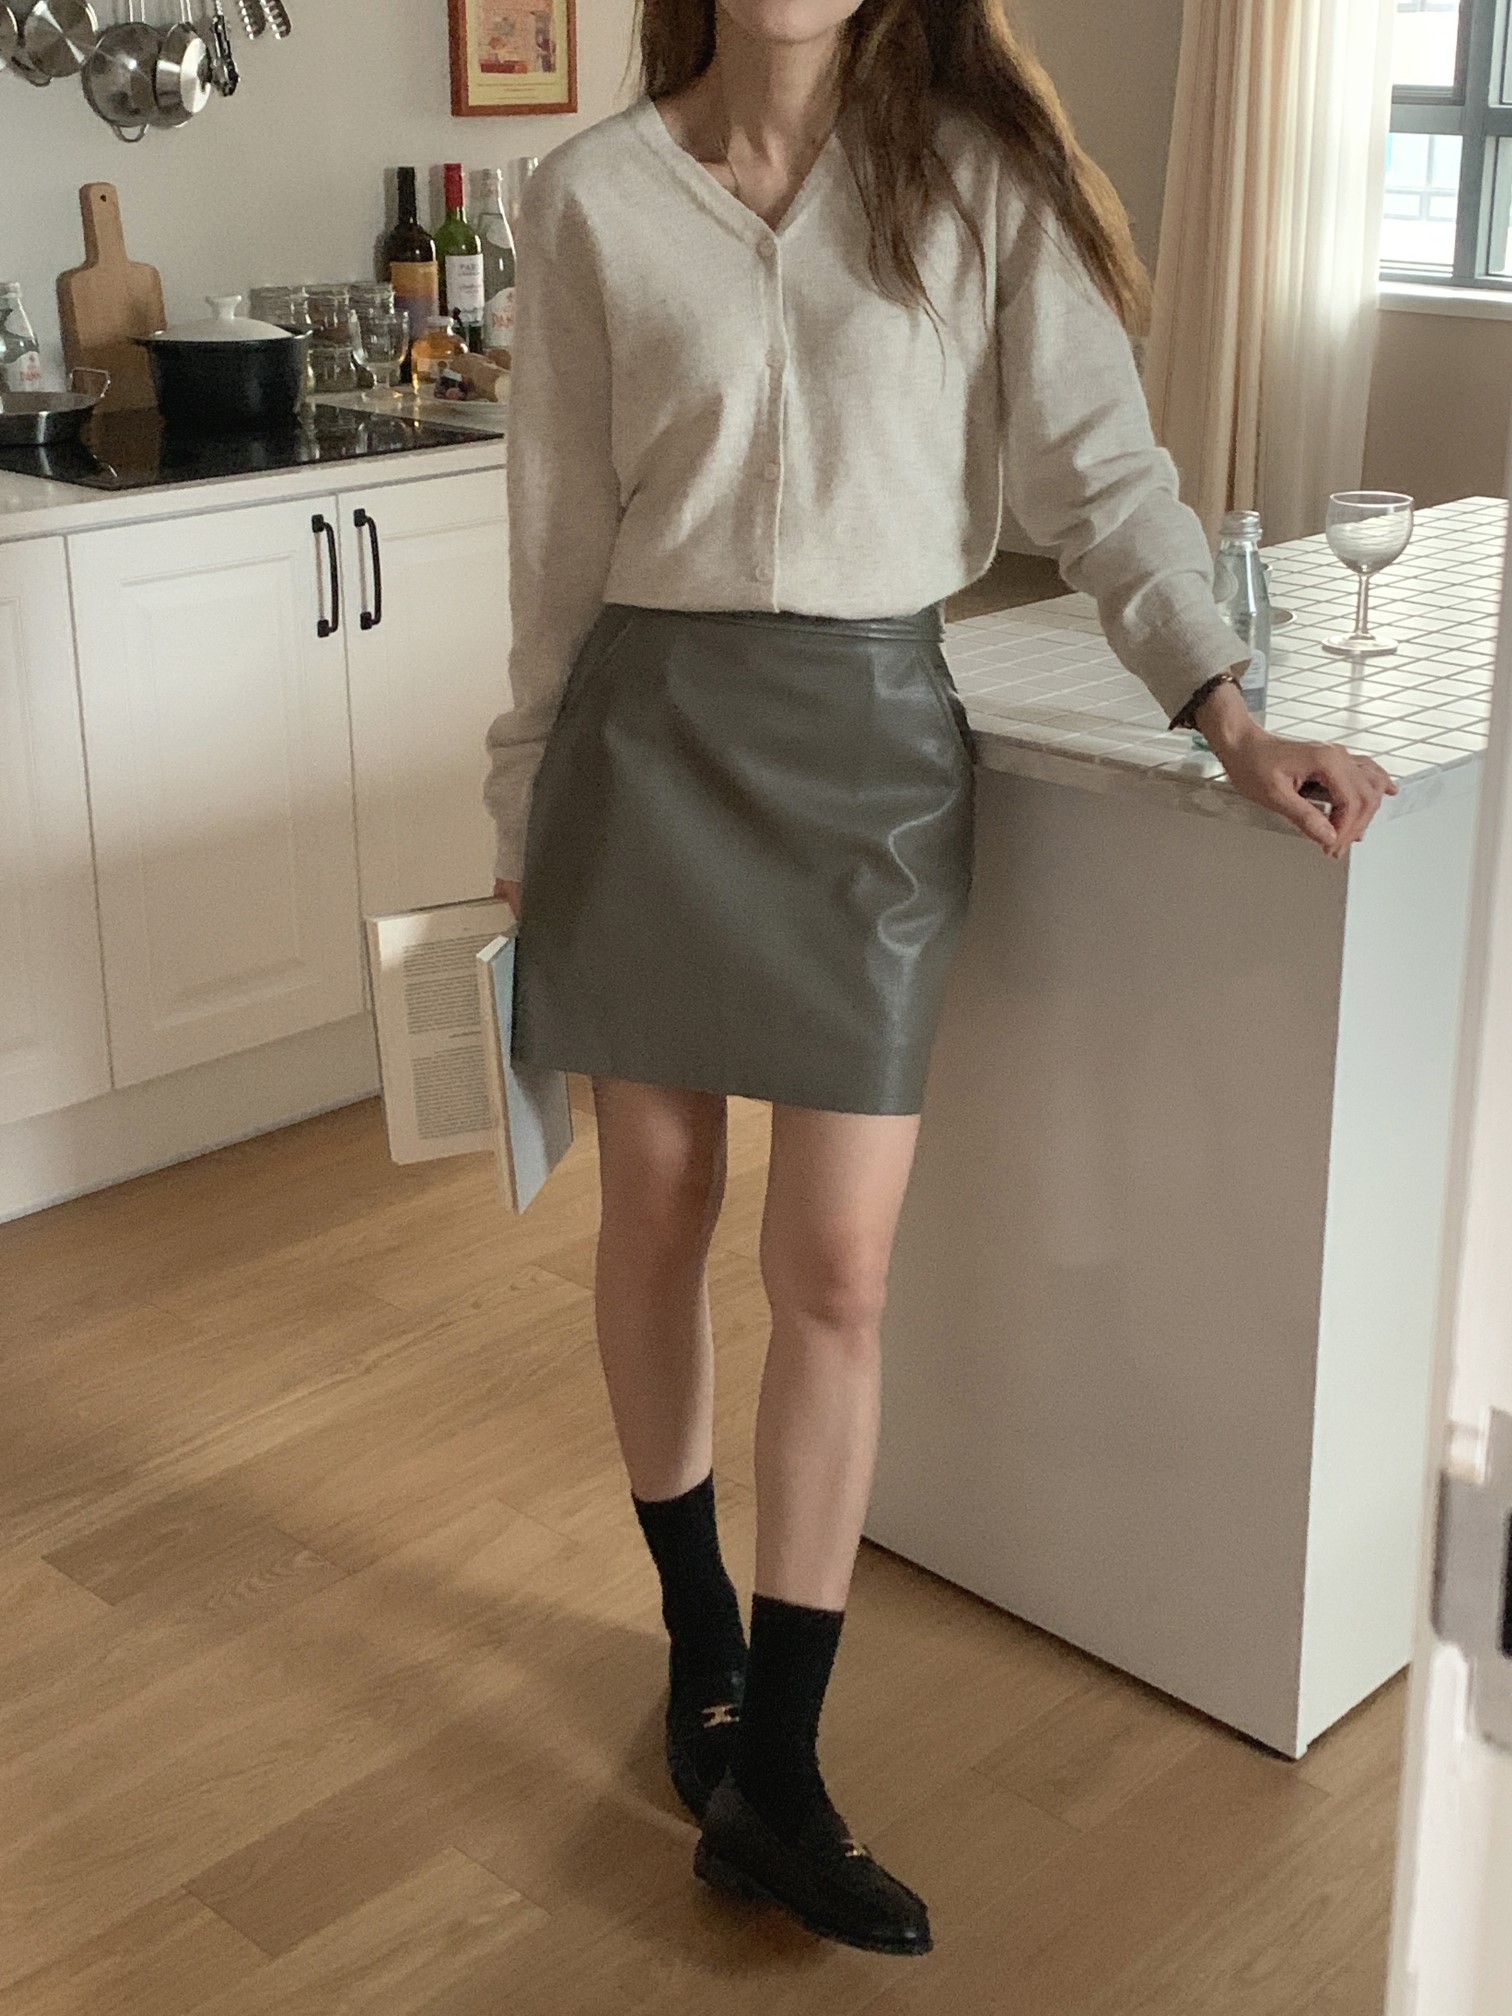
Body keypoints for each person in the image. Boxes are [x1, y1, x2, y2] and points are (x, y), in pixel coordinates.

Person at [481, 0, 1397, 1960]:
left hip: (874, 766)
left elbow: (1104, 476)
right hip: (641, 748)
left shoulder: (978, 189)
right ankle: (703, 1646)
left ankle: (780, 1775)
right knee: (657, 1210)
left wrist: (1234, 716)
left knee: (839, 1270)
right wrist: (518, 804)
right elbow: (553, 540)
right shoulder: (587, 199)